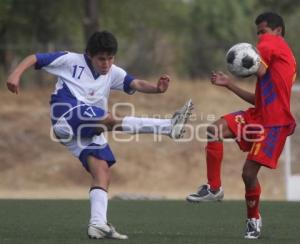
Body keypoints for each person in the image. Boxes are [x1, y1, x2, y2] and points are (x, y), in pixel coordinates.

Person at [6, 31, 193, 240]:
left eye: (110, 58)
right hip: (65, 115)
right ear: (88, 55)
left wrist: (157, 89)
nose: (106, 64)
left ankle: (97, 224)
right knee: (109, 120)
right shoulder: (70, 60)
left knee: (102, 171)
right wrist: (15, 74)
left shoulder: (112, 72)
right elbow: (35, 58)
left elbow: (136, 84)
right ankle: (168, 126)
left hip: (83, 130)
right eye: (101, 59)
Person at [186, 12, 297, 239]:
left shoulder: (273, 43)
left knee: (248, 175)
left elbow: (260, 67)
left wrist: (251, 62)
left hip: (274, 124)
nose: (260, 38)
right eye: (257, 33)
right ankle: (214, 188)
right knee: (214, 129)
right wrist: (229, 85)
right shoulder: (279, 58)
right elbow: (260, 99)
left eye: (263, 31)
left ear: (278, 31)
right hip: (258, 115)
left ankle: (253, 220)